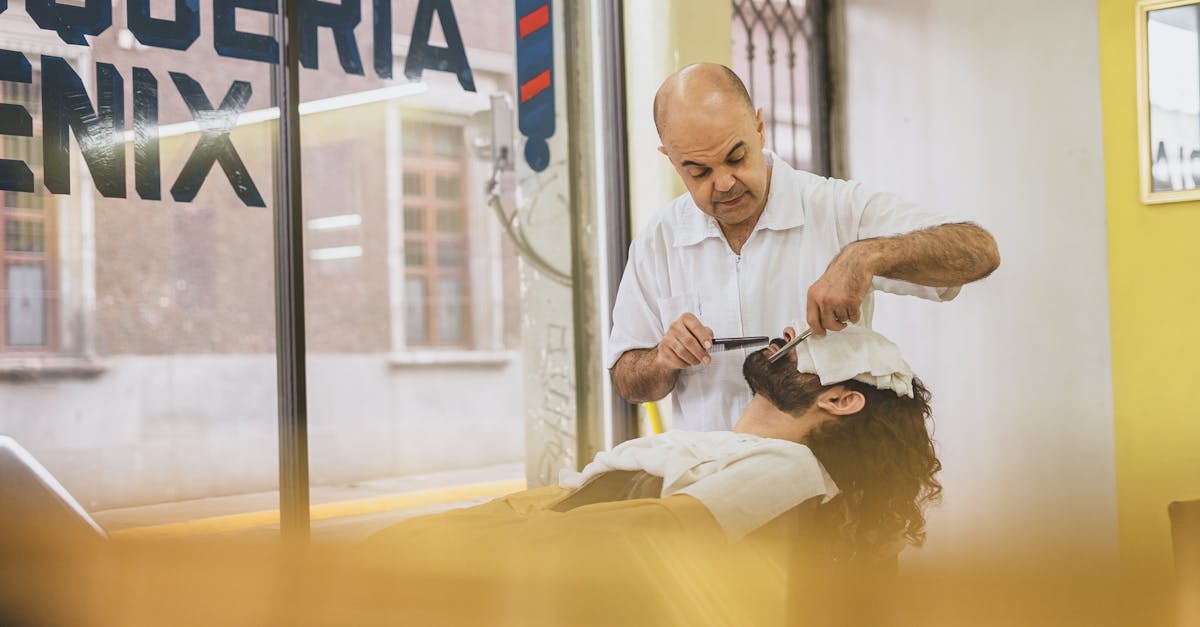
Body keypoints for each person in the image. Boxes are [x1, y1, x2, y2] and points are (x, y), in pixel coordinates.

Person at [608, 62, 1000, 430]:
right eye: (700, 172)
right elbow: (627, 380)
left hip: (825, 490)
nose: (724, 183)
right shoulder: (659, 240)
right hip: (705, 488)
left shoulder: (835, 208)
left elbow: (979, 251)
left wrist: (865, 256)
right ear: (672, 161)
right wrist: (663, 358)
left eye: (736, 157)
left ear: (759, 128)